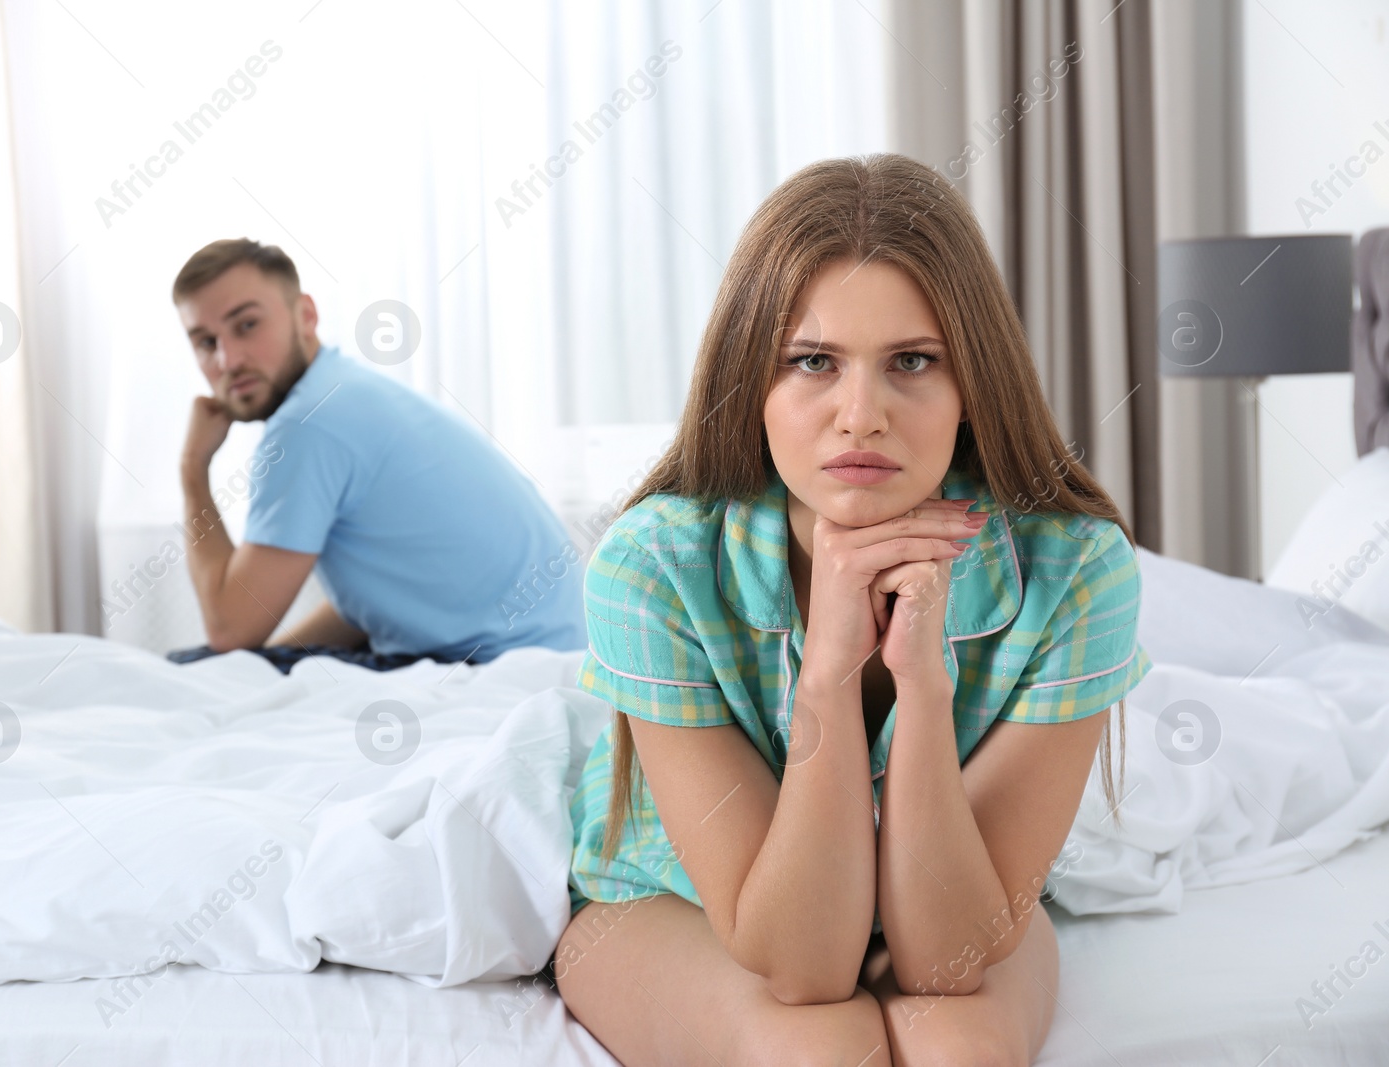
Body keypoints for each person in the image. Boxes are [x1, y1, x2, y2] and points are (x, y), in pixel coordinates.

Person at [550, 154, 1153, 1065]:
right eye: (812, 363)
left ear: (969, 388)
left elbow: (947, 960)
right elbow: (803, 966)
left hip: (953, 901)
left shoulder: (1075, 570)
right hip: (669, 901)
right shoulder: (652, 566)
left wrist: (924, 683)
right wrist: (828, 675)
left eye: (912, 361)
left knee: (960, 1052)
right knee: (825, 1050)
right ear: (752, 382)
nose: (860, 414)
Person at [170, 238, 584, 672]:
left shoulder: (309, 423)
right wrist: (271, 662)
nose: (228, 360)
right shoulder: (343, 391)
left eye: (247, 325)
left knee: (194, 667)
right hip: (550, 656)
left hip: (499, 669)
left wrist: (192, 468)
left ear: (305, 315)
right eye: (205, 341)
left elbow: (229, 630)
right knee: (227, 670)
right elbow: (372, 609)